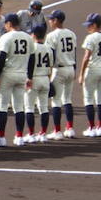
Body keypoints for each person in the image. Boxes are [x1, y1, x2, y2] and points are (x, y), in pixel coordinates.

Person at [0, 13, 35, 146]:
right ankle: (19, 137)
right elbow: (32, 59)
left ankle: (1, 137)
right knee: (19, 107)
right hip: (22, 74)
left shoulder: (6, 37)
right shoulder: (28, 37)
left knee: (2, 106)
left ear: (9, 23)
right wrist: (30, 76)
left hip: (8, 74)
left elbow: (1, 59)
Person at [77, 13, 101, 137]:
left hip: (92, 70)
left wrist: (81, 74)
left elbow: (86, 57)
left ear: (94, 25)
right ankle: (100, 128)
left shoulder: (90, 38)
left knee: (88, 99)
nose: (88, 28)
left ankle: (91, 128)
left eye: (89, 25)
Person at [44, 10, 78, 140]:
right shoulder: (72, 34)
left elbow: (50, 56)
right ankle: (70, 128)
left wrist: (49, 73)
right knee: (67, 99)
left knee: (56, 100)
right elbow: (74, 53)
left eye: (52, 19)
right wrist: (74, 69)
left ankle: (57, 131)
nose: (50, 21)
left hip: (59, 70)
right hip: (70, 68)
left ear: (57, 20)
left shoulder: (52, 36)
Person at [25, 24, 52, 143]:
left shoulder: (31, 48)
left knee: (29, 107)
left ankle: (31, 134)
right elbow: (51, 67)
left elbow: (27, 64)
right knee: (44, 107)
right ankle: (43, 134)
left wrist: (28, 78)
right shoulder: (49, 48)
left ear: (34, 35)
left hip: (33, 79)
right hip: (45, 78)